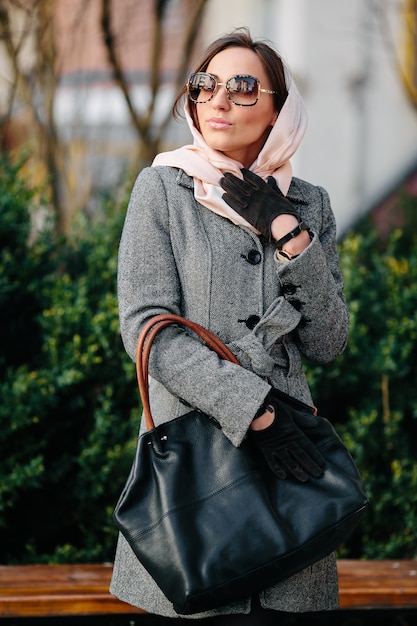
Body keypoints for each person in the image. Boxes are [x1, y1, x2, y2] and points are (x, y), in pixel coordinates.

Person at [110, 27, 349, 624]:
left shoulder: (310, 203)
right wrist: (255, 410)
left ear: (277, 109)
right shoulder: (163, 187)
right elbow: (147, 329)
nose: (218, 100)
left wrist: (292, 236)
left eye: (243, 87)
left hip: (288, 472)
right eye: (205, 85)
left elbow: (328, 341)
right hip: (196, 465)